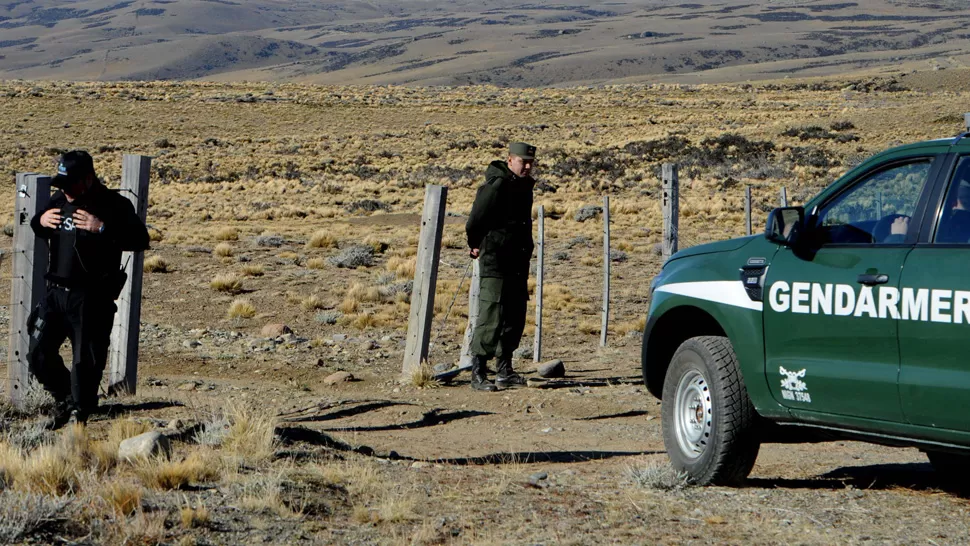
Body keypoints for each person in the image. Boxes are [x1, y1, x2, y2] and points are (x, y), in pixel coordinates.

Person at [28, 150, 150, 428]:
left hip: (91, 296)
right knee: (38, 352)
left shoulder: (113, 205)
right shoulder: (59, 200)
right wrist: (41, 221)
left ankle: (79, 413)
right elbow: (39, 225)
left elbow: (140, 239)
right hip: (56, 292)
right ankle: (64, 399)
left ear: (88, 179)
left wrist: (103, 228)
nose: (66, 192)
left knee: (86, 361)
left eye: (70, 185)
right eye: (61, 185)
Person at [465, 142, 537, 392]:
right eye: (522, 161)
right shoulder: (496, 185)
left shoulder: (525, 186)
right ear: (509, 160)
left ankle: (504, 369)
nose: (527, 166)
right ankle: (479, 371)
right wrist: (475, 243)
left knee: (514, 314)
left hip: (517, 260)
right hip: (496, 259)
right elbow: (476, 218)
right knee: (491, 314)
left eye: (530, 162)